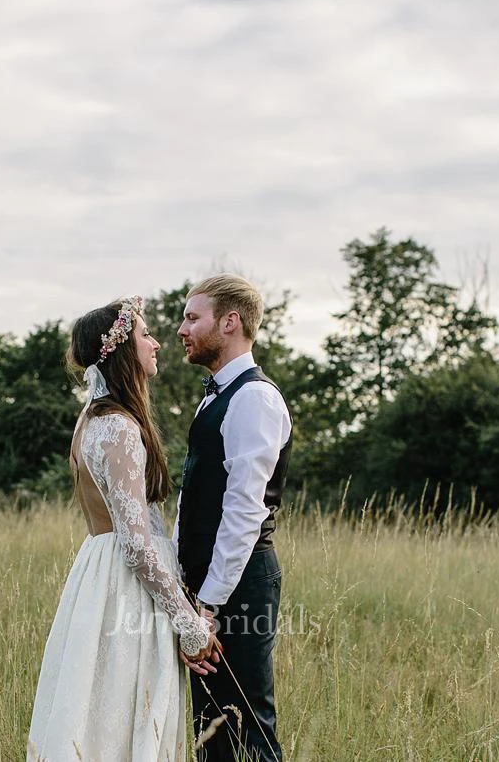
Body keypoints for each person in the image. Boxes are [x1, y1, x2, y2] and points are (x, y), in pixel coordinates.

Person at [27, 296, 217, 762]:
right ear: (121, 351)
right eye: (145, 335)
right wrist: (190, 624)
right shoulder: (117, 427)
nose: (156, 343)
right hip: (125, 587)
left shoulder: (91, 419)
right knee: (124, 714)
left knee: (97, 714)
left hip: (98, 573)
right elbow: (136, 546)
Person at [174, 274, 292, 762]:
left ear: (229, 322)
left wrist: (208, 604)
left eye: (192, 317)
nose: (182, 329)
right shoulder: (217, 395)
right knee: (212, 730)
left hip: (238, 584)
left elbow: (245, 510)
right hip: (207, 584)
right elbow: (195, 496)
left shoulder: (254, 397)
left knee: (248, 727)